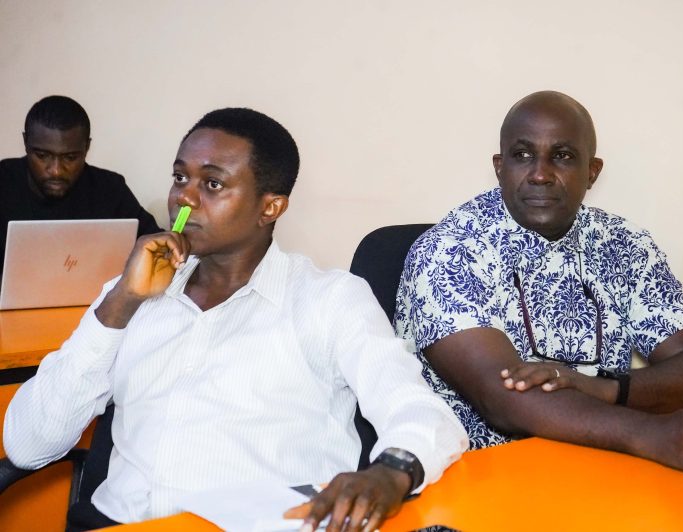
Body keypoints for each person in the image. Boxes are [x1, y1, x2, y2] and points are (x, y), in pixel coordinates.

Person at [4, 108, 467, 532]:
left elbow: (424, 415)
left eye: (212, 184)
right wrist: (120, 303)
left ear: (270, 207)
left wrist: (389, 474)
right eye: (180, 177)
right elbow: (27, 445)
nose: (184, 198)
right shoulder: (129, 295)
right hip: (121, 523)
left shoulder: (329, 300)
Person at [395, 90, 683, 476]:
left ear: (592, 172)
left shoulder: (624, 244)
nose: (540, 174)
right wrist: (650, 434)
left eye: (562, 156)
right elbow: (501, 399)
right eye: (522, 155)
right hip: (482, 479)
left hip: (604, 470)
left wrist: (605, 388)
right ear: (500, 167)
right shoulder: (450, 250)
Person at [0, 95, 161, 278]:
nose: (56, 171)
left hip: (93, 297)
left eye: (70, 158)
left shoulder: (109, 189)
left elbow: (154, 244)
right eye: (42, 156)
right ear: (25, 142)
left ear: (87, 147)